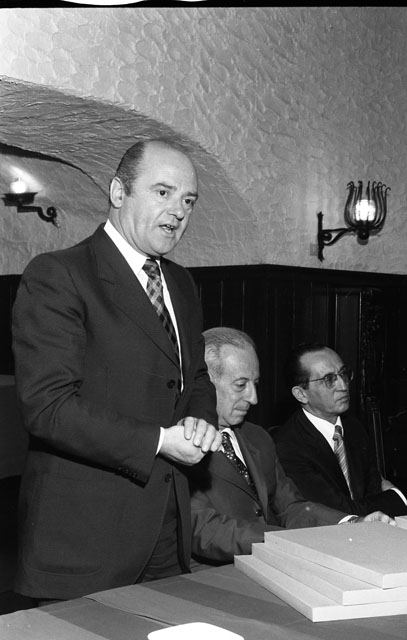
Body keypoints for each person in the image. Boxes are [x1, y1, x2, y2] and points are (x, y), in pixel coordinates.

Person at [12, 138, 222, 601]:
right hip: (86, 539)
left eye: (189, 200)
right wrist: (161, 441)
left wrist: (200, 422)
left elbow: (194, 378)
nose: (178, 211)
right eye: (163, 192)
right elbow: (48, 409)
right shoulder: (59, 274)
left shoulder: (181, 283)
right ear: (118, 192)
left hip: (168, 529)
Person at [188, 328, 394, 567]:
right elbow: (205, 529)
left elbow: (291, 507)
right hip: (211, 576)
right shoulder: (182, 441)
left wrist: (351, 524)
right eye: (241, 385)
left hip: (272, 562)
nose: (254, 398)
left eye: (255, 384)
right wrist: (289, 541)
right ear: (204, 383)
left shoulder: (257, 437)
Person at [273, 343, 407, 518]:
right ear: (301, 394)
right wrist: (397, 497)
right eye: (329, 380)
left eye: (343, 374)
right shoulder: (288, 446)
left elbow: (373, 489)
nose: (343, 386)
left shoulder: (354, 428)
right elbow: (341, 513)